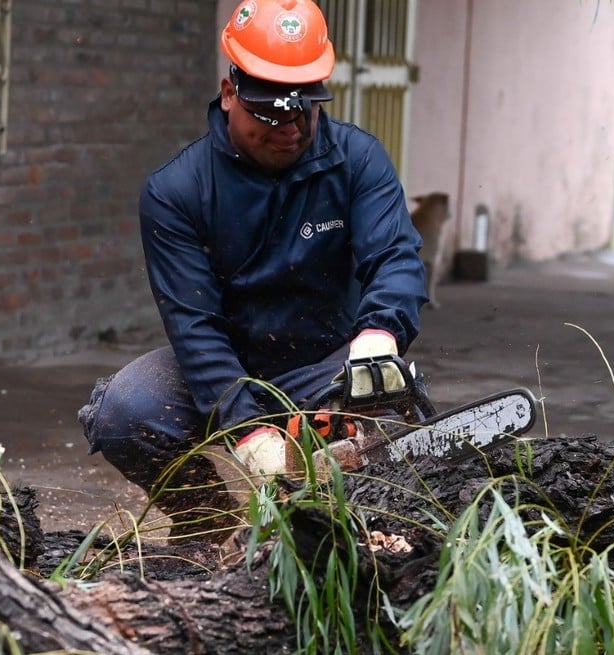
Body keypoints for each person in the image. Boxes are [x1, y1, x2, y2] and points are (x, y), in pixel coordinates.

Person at [78, 0, 427, 543]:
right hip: (229, 361)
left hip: (329, 359)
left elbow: (395, 258)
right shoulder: (176, 191)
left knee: (389, 434)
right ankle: (209, 526)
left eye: (302, 111)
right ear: (229, 93)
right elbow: (195, 327)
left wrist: (380, 334)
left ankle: (353, 540)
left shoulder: (358, 160)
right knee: (125, 412)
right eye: (270, 114)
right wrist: (247, 430)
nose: (289, 129)